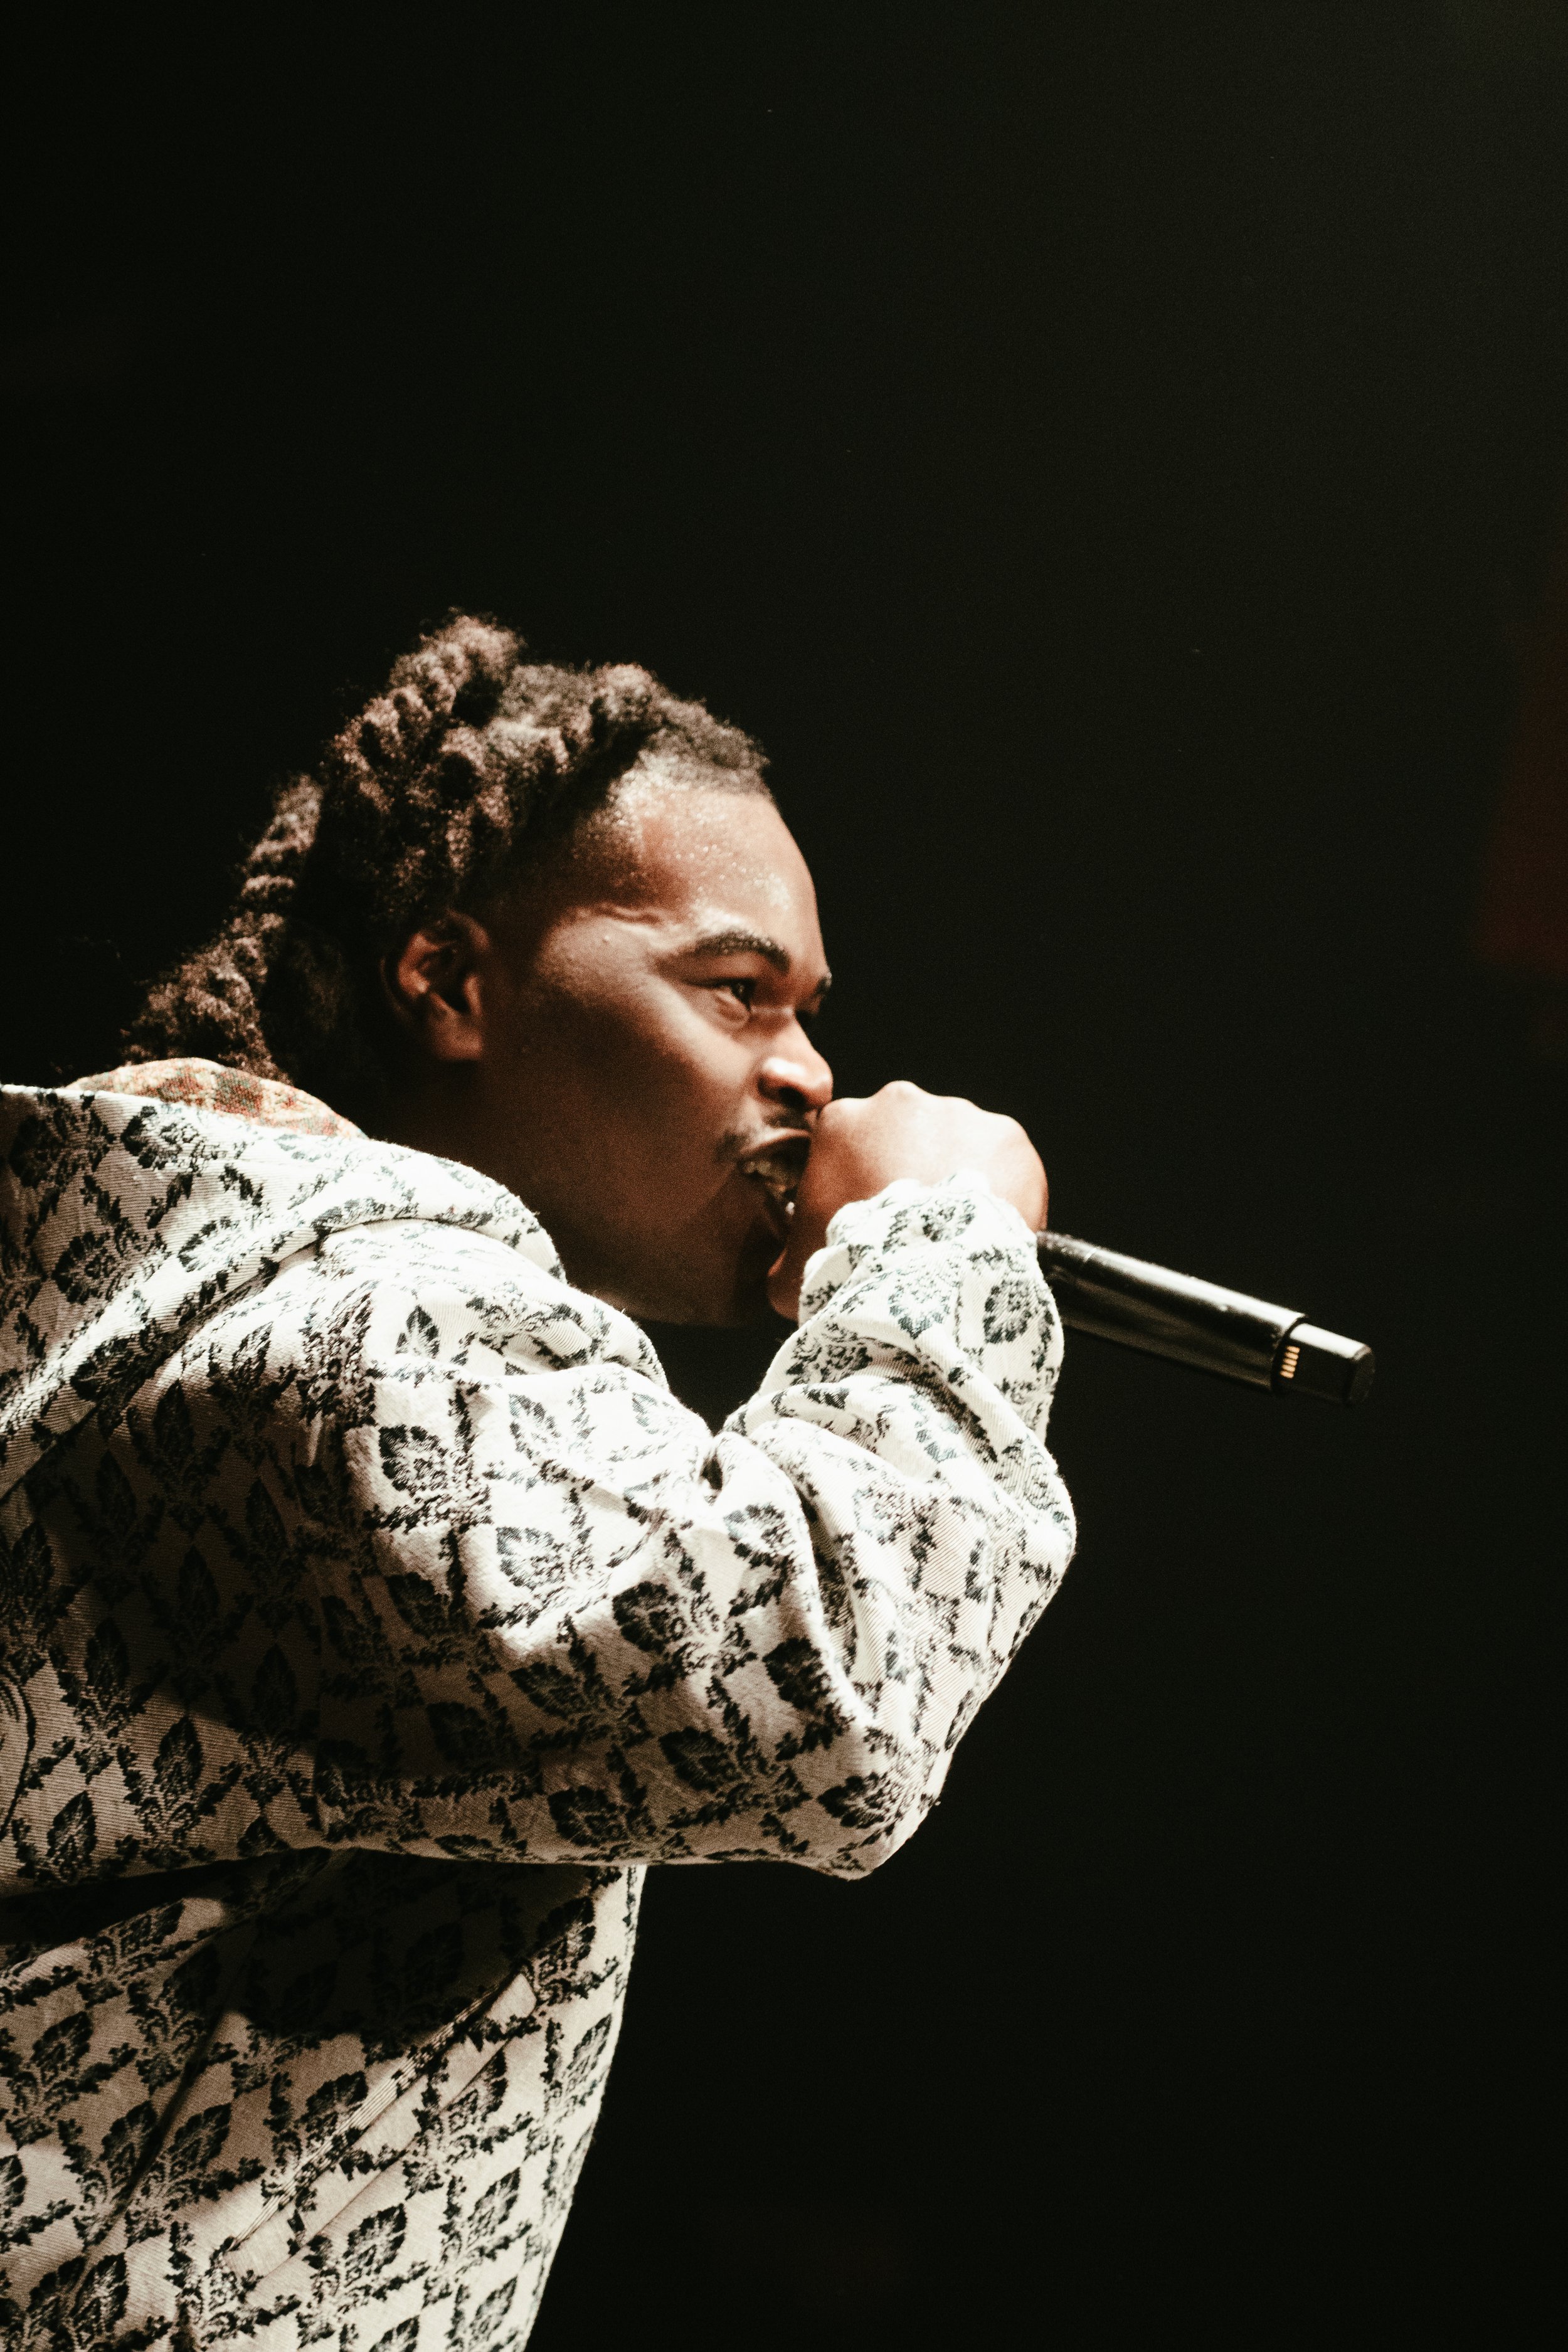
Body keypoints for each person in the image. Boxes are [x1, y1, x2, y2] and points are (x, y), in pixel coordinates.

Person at [0, 617, 1075, 2349]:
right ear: (448, 980)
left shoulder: (208, 1273)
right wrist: (933, 1243)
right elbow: (812, 1697)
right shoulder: (349, 1320)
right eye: (740, 992)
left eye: (813, 1015)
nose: (806, 1073)